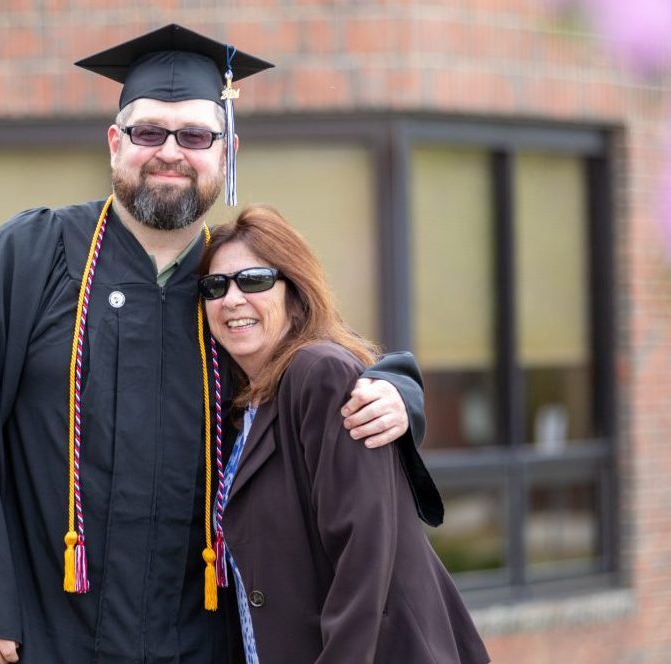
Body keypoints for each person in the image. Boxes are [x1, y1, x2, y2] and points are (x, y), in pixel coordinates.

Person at [0, 24, 429, 664]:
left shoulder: (231, 285)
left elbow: (316, 358)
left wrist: (396, 390)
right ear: (115, 144)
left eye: (194, 136)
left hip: (196, 636)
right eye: (148, 132)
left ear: (226, 152)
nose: (170, 152)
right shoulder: (35, 252)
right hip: (46, 633)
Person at [200, 204, 489, 664]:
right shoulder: (243, 403)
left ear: (296, 293)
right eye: (215, 286)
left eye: (253, 280)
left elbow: (364, 551)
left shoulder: (318, 373)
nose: (231, 299)